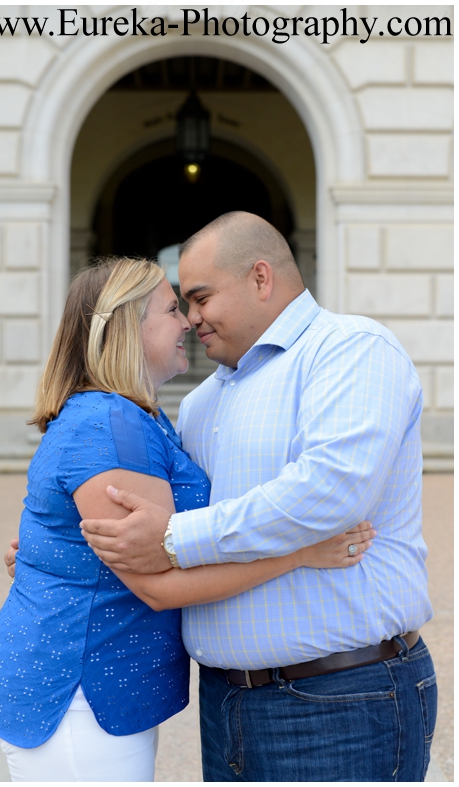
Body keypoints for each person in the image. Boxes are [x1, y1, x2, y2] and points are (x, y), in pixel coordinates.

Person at [0, 257, 374, 782]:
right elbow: (159, 586)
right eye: (171, 309)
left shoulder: (135, 414)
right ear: (127, 327)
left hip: (89, 686)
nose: (187, 320)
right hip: (76, 694)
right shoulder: (111, 421)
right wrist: (301, 554)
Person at [80, 212, 435, 781]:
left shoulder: (351, 349)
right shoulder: (199, 405)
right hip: (226, 704)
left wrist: (172, 539)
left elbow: (330, 492)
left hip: (344, 696)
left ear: (261, 278)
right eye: (183, 306)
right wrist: (60, 547)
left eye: (200, 298)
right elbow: (141, 515)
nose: (192, 320)